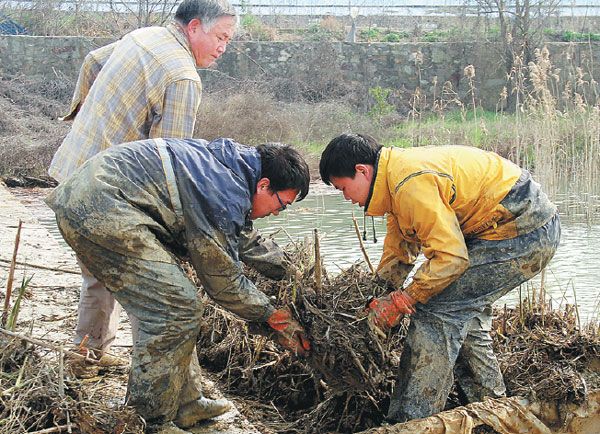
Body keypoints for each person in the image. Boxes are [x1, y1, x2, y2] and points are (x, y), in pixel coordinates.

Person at [47, 0, 274, 371]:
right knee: (152, 283)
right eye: (220, 37)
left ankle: (88, 356)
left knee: (101, 273)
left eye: (228, 41)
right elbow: (172, 166)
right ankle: (144, 368)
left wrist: (83, 118)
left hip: (75, 164)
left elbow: (91, 60)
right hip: (107, 190)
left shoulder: (144, 36)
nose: (223, 47)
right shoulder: (183, 77)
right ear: (195, 27)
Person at [46, 137, 311, 433]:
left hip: (98, 197)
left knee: (181, 304)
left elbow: (242, 237)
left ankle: (187, 403)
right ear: (263, 186)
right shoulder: (224, 188)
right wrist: (271, 316)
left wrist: (293, 270)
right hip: (101, 207)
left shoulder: (230, 172)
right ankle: (148, 420)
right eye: (281, 205)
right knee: (176, 309)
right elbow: (223, 281)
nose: (277, 213)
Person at [319, 133, 560, 423]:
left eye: (343, 188)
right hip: (503, 228)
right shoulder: (395, 181)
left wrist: (404, 299)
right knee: (461, 315)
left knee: (435, 311)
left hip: (523, 228)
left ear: (362, 171)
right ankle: (493, 412)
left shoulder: (409, 183)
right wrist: (373, 294)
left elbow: (452, 258)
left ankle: (410, 421)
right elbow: (400, 252)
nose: (346, 197)